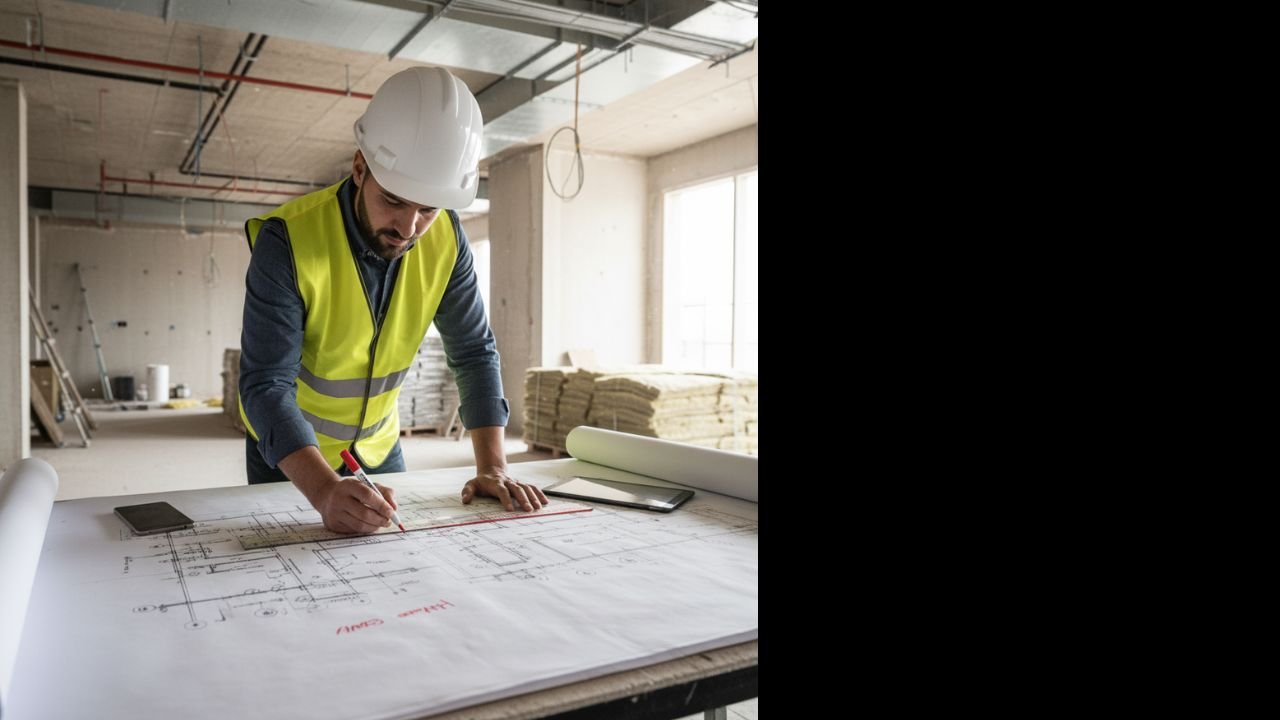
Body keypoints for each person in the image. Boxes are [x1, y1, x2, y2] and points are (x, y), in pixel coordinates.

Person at [238, 66, 548, 534]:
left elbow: (473, 352)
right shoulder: (288, 242)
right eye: (394, 200)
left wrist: (494, 466)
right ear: (360, 167)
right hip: (292, 452)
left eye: (427, 209)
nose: (408, 229)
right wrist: (323, 491)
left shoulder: (445, 240)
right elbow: (265, 385)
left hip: (379, 446)